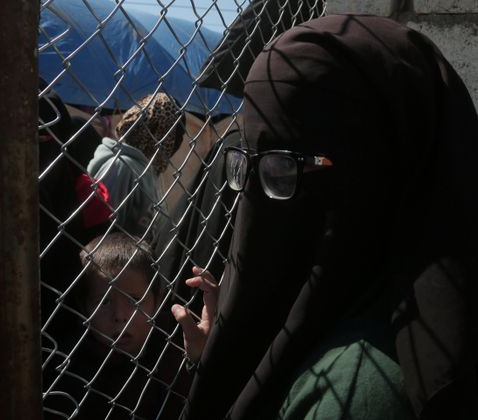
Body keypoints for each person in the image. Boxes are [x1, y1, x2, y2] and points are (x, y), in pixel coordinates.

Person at [172, 14, 478, 420]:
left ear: (372, 169)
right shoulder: (396, 307)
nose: (253, 195)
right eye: (243, 163)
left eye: (281, 168)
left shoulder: (357, 393)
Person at [44, 231, 190, 419]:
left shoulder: (172, 348)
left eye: (135, 300)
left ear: (157, 303)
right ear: (84, 307)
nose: (120, 316)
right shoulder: (71, 374)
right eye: (104, 302)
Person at [87, 92, 184, 239]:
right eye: (178, 133)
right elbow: (100, 233)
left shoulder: (149, 171)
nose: (178, 141)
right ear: (160, 131)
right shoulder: (122, 166)